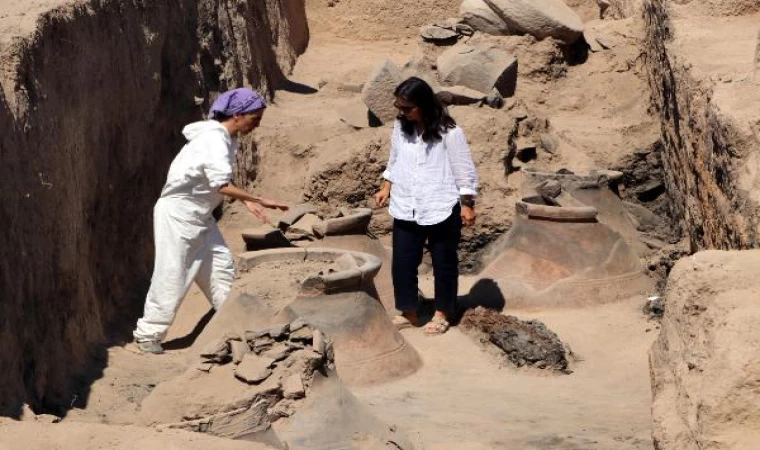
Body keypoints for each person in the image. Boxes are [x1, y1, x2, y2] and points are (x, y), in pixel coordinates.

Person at [133, 88, 288, 354]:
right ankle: (149, 334)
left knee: (220, 266)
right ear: (238, 115)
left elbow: (218, 180)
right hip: (179, 215)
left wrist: (246, 200)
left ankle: (233, 323)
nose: (257, 124)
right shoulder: (214, 140)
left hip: (200, 216)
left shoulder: (227, 140)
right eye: (255, 118)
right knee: (173, 273)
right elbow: (221, 185)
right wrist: (258, 199)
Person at [373, 77, 479, 335]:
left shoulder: (450, 132)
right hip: (406, 203)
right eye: (400, 107)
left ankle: (443, 312)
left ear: (424, 105)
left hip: (440, 203)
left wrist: (467, 204)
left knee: (444, 262)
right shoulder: (401, 129)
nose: (403, 113)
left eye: (408, 108)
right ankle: (409, 312)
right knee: (403, 262)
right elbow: (395, 158)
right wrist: (386, 186)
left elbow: (463, 168)